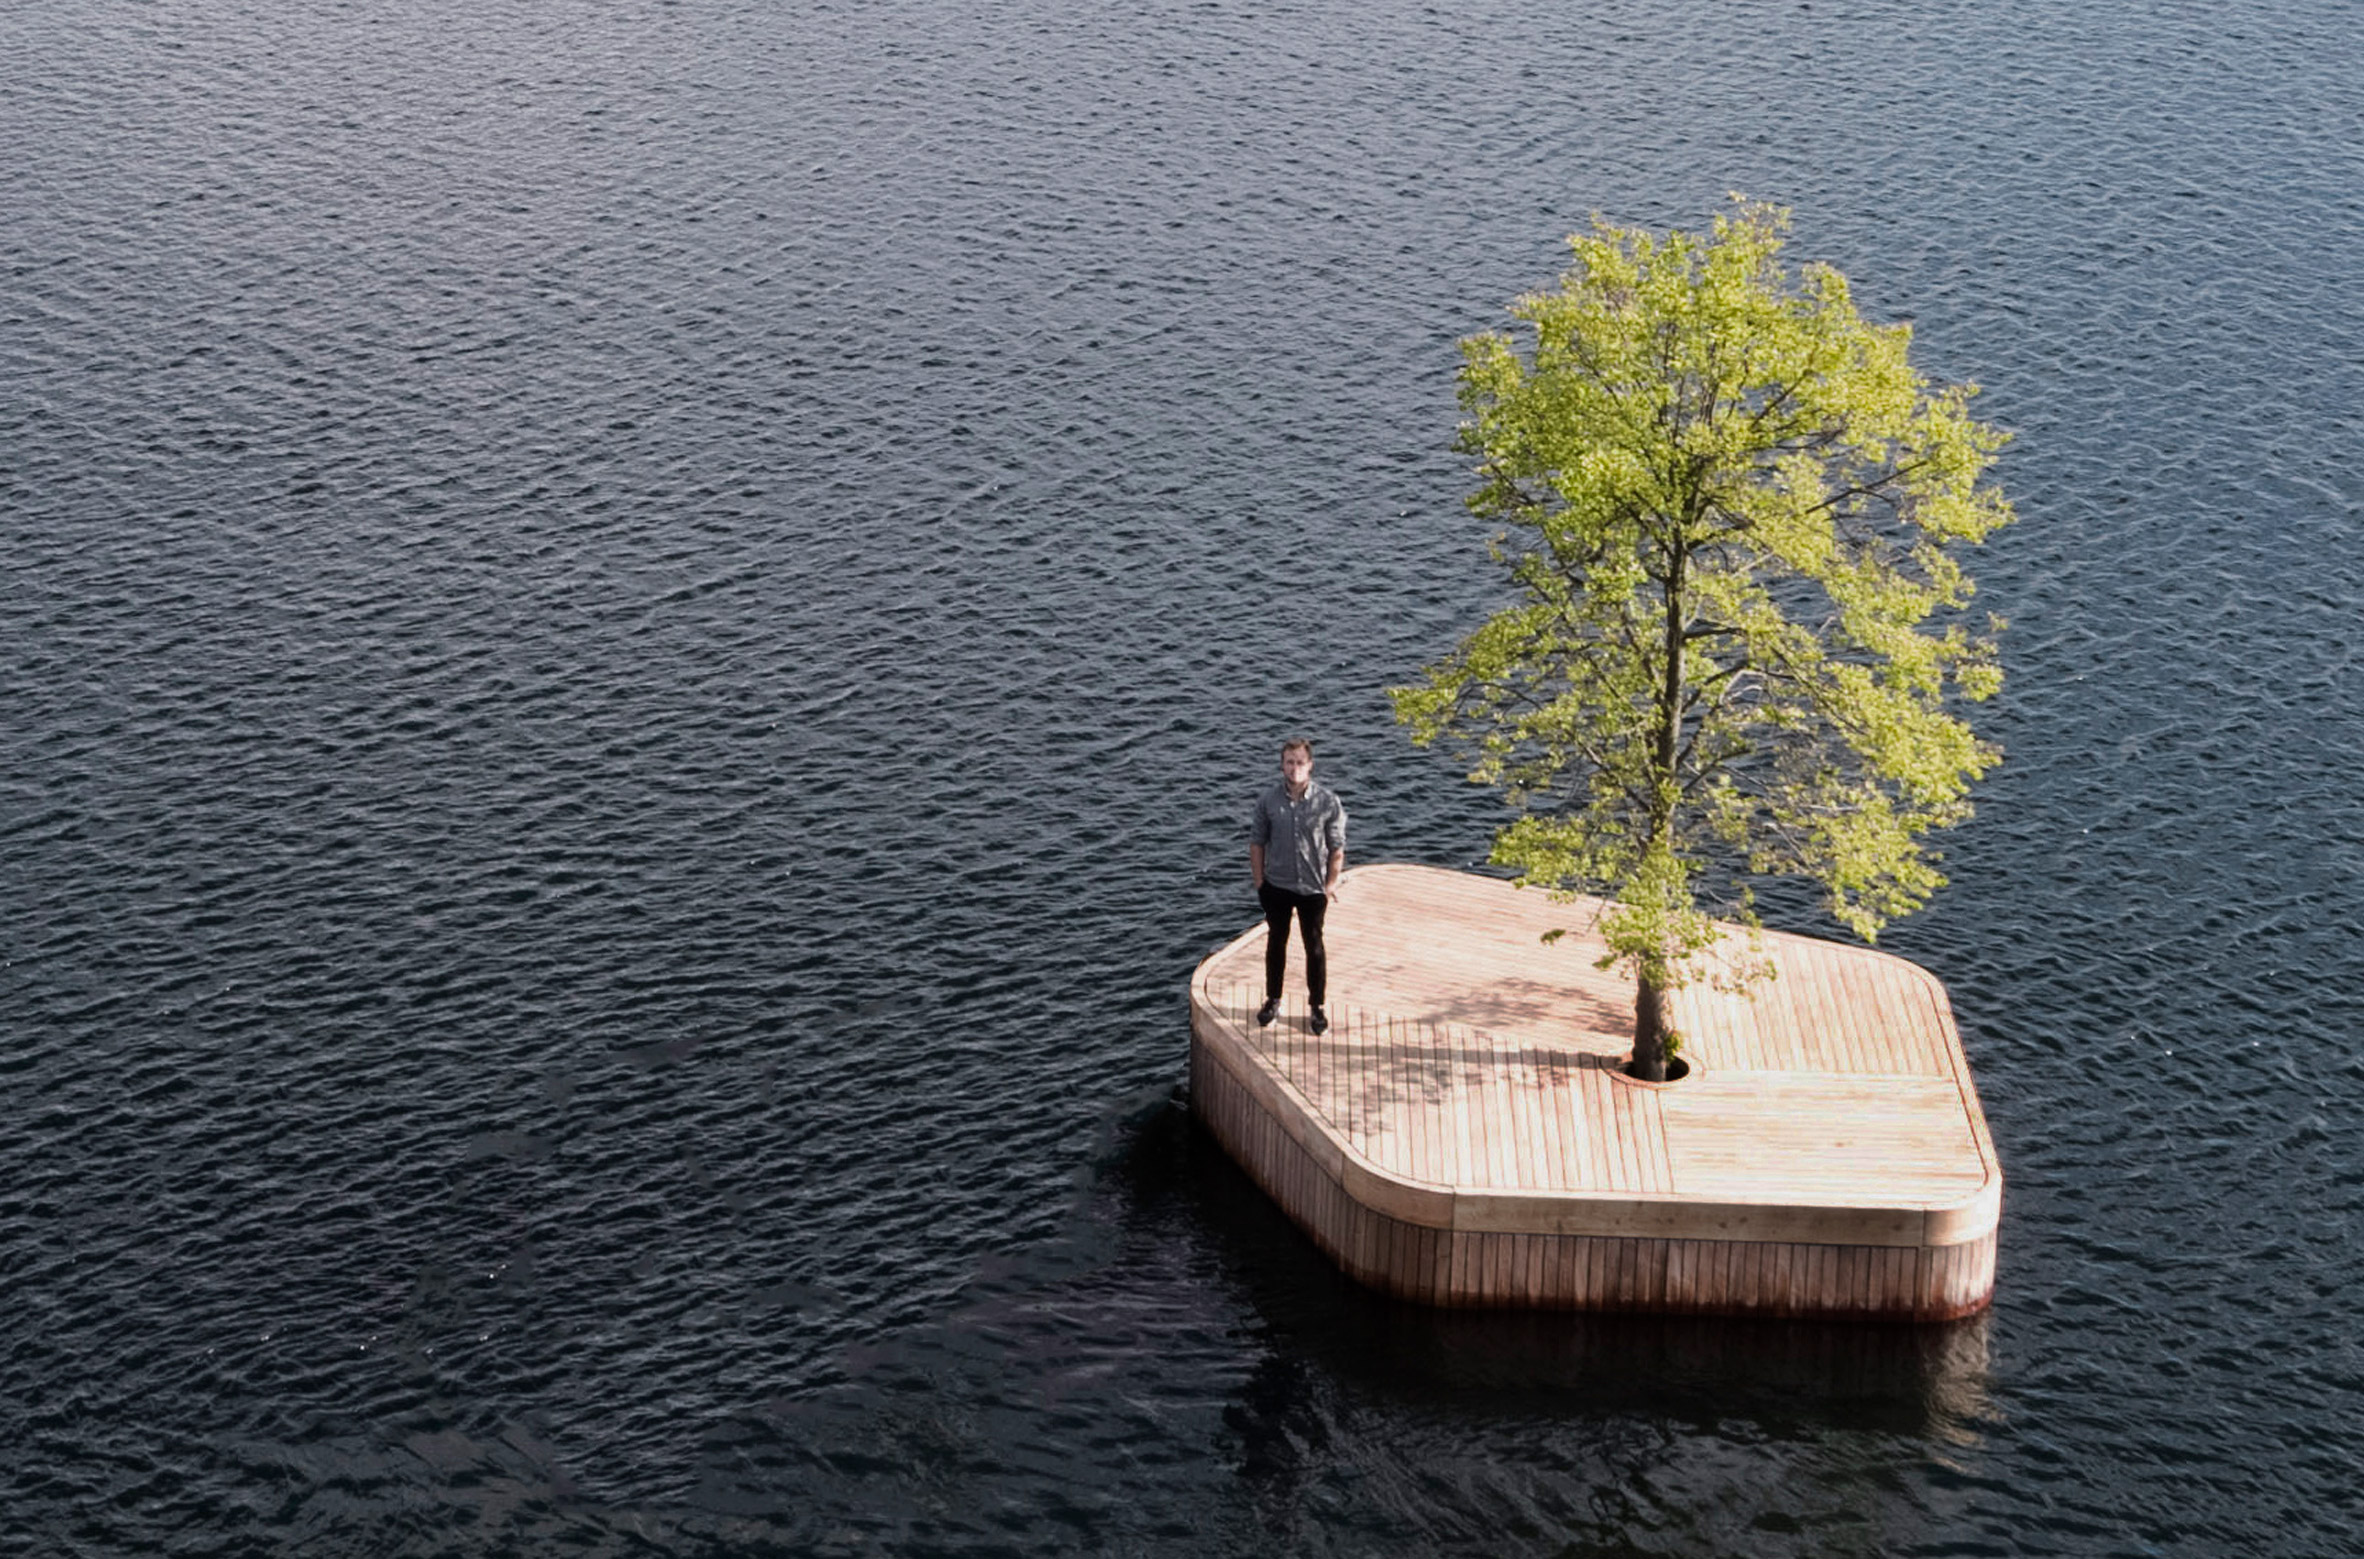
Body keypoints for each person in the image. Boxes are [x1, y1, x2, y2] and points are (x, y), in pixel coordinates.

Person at [1247, 737, 1346, 1034]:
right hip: (1276, 886)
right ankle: (1273, 1000)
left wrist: (1329, 885)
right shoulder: (1268, 801)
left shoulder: (1327, 802)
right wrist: (1259, 882)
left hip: (1312, 889)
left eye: (1300, 762)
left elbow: (1337, 848)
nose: (1294, 769)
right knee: (1276, 943)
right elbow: (1256, 842)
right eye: (1289, 762)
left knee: (1314, 946)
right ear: (1282, 765)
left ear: (1310, 765)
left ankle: (1317, 1007)